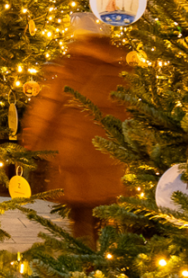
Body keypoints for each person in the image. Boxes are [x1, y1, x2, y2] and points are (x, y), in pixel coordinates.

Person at [19, 13, 130, 243]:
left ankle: (85, 261)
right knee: (105, 206)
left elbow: (47, 107)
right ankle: (106, 254)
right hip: (109, 151)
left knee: (80, 212)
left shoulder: (69, 67)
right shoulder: (119, 69)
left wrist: (32, 137)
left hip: (75, 152)